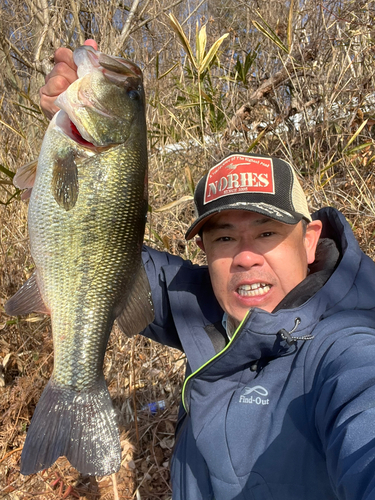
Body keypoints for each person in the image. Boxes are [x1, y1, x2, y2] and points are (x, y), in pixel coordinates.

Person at [39, 42, 375, 500]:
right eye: (223, 238)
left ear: (311, 239)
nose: (244, 256)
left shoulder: (350, 347)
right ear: (203, 250)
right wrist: (65, 174)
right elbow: (99, 253)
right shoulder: (207, 306)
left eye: (266, 233)